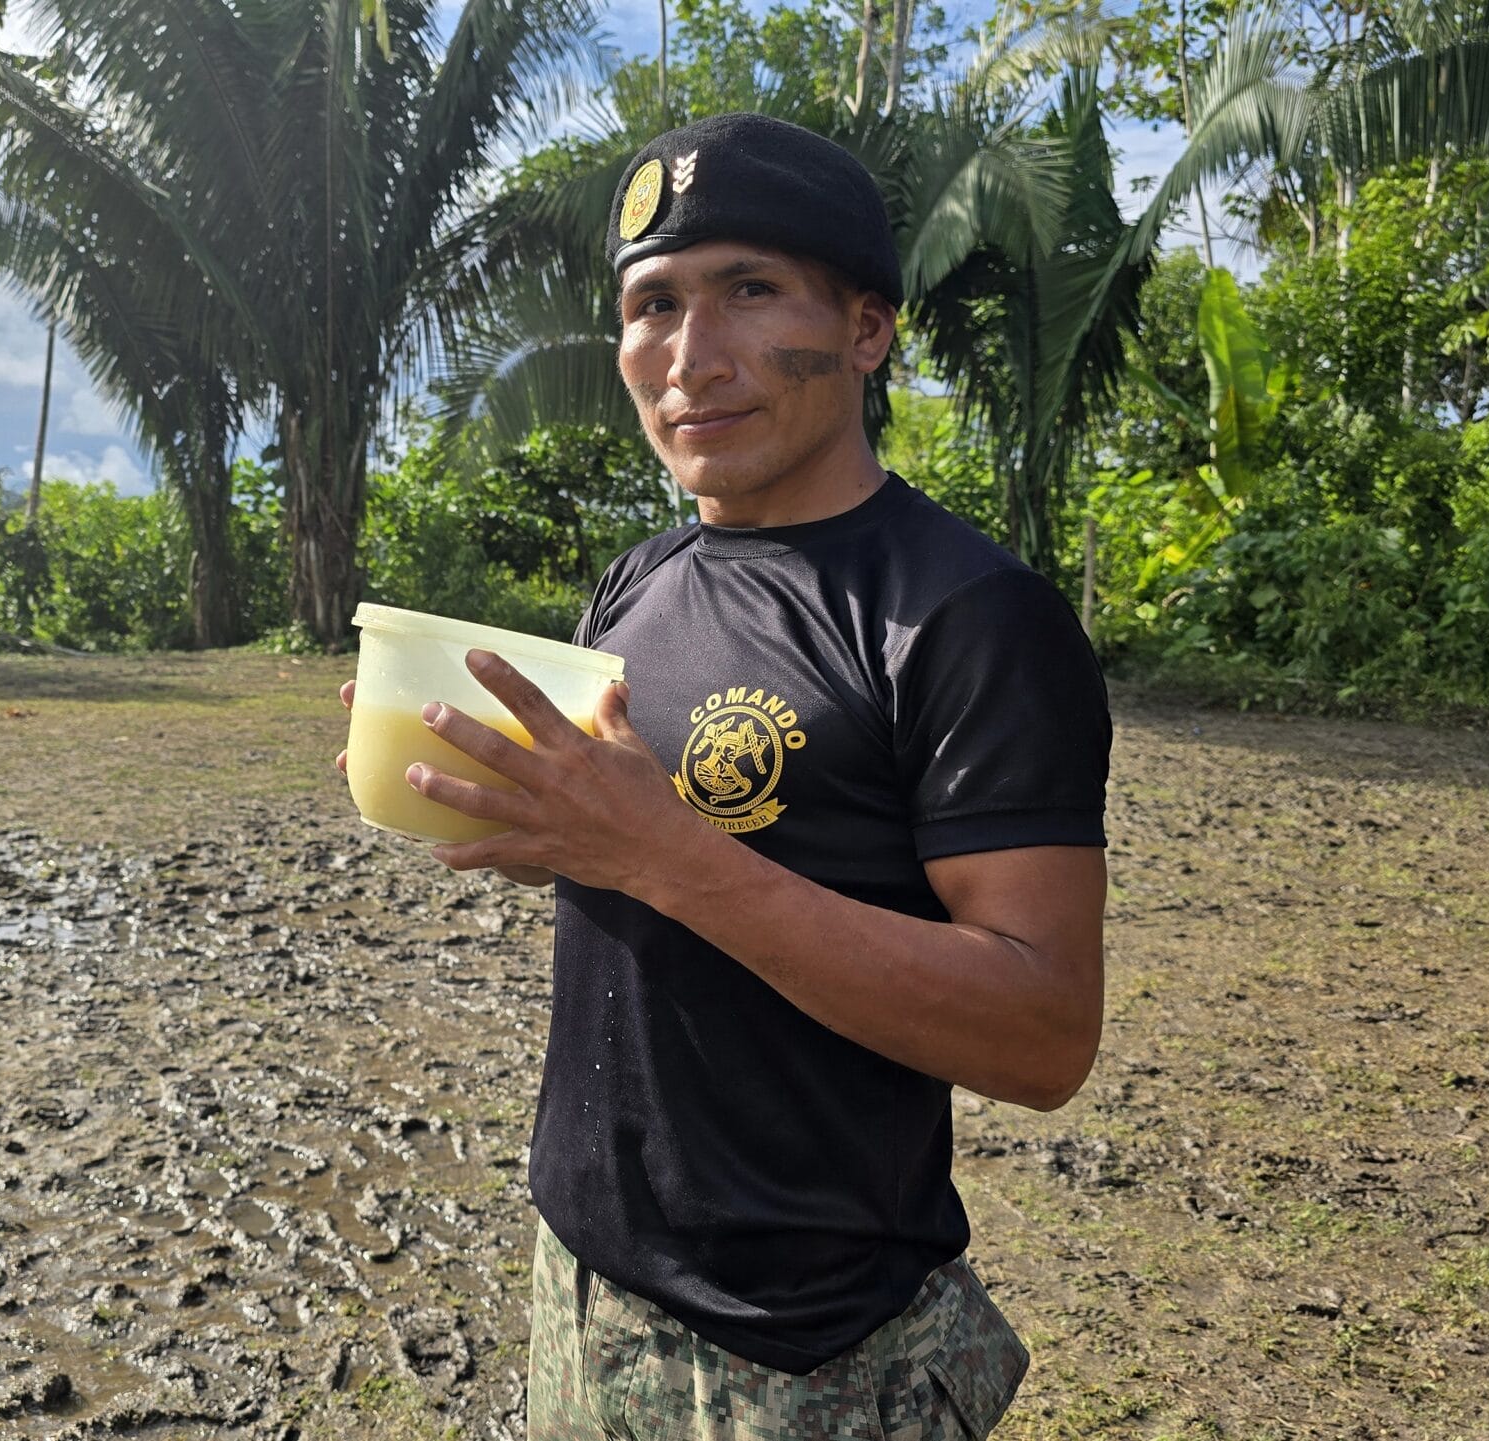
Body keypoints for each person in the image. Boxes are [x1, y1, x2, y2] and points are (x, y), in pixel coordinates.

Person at [339, 112, 1111, 1439]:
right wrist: (540, 822)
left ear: (864, 331)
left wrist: (661, 851)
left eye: (750, 292)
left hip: (806, 1350)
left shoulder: (966, 618)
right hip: (585, 1269)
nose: (690, 357)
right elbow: (646, 860)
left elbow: (1043, 1035)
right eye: (653, 305)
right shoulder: (639, 582)